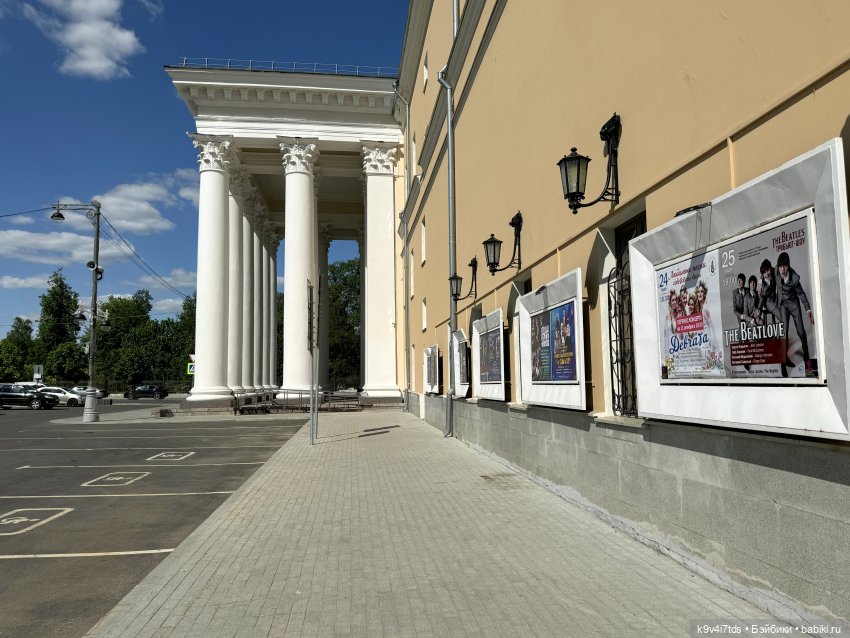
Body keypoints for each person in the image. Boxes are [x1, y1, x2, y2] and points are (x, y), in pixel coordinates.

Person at [776, 251, 814, 372]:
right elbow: (766, 274)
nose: (783, 269)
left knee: (801, 331)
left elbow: (801, 294)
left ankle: (807, 357)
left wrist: (808, 310)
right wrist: (761, 282)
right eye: (781, 266)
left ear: (788, 265)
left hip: (793, 304)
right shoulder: (776, 271)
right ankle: (783, 363)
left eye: (785, 266)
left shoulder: (795, 278)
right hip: (783, 305)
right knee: (784, 332)